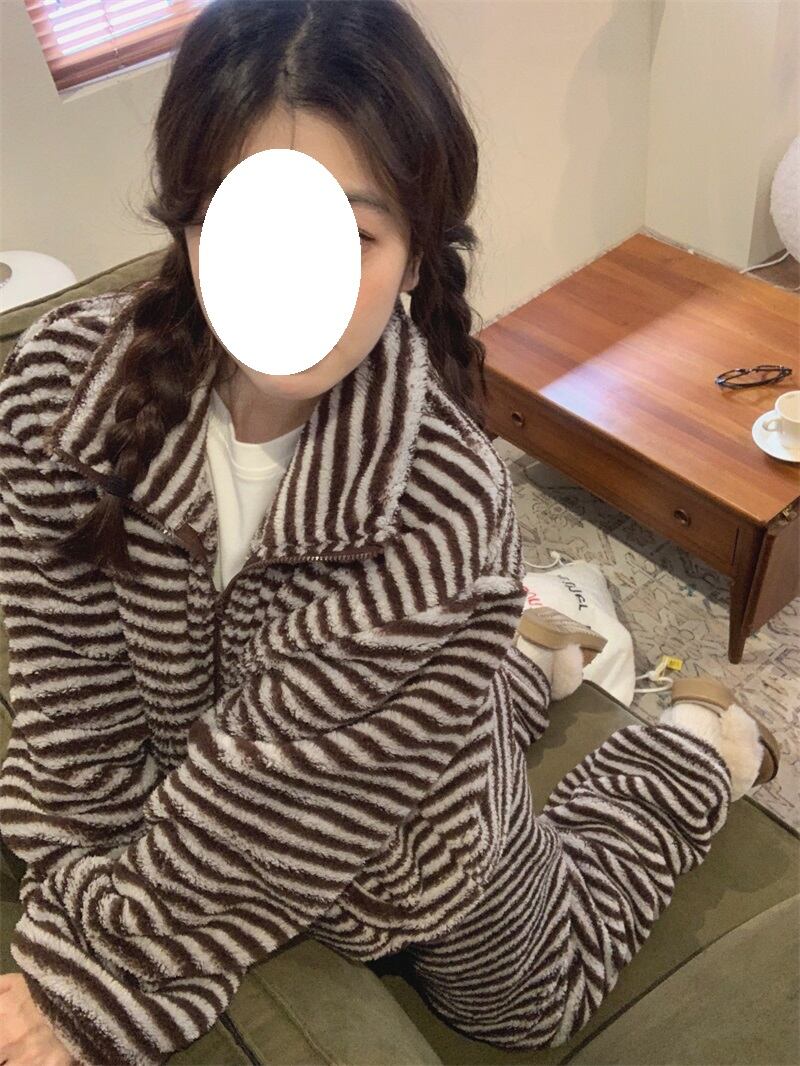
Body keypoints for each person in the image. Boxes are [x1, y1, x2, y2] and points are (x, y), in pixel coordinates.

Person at [0, 1, 773, 1063]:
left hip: (424, 860)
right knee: (440, 674)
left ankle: (692, 749)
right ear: (187, 222)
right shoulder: (57, 388)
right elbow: (67, 694)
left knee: (531, 1007)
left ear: (415, 256)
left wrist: (93, 977)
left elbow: (275, 798)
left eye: (351, 239)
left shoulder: (445, 503)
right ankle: (518, 652)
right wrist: (73, 879)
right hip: (278, 769)